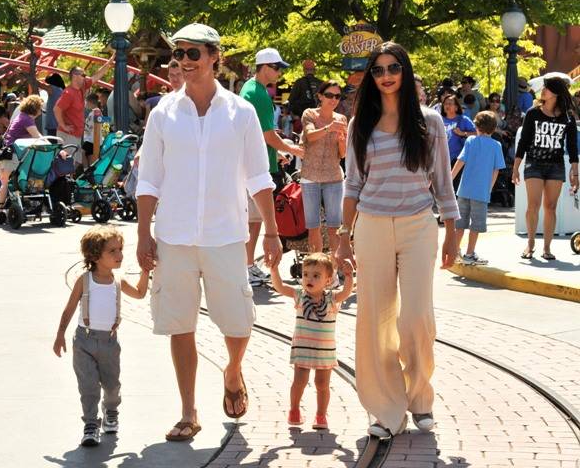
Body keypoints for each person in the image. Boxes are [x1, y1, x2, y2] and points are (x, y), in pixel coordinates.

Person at [136, 23, 283, 442]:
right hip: (175, 237)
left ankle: (233, 372)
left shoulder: (242, 112)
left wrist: (271, 231)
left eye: (192, 53)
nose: (183, 61)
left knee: (238, 323)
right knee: (180, 324)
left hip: (225, 235)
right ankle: (188, 411)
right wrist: (144, 235)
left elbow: (259, 176)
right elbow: (149, 179)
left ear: (214, 56)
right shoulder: (163, 112)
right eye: (178, 54)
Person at [335, 42, 459, 438]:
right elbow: (353, 183)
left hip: (419, 225)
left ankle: (420, 397)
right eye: (377, 70)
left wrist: (453, 233)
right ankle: (386, 409)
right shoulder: (360, 125)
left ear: (404, 72)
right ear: (371, 78)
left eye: (393, 68)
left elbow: (442, 182)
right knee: (375, 319)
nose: (386, 75)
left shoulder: (430, 123)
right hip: (371, 224)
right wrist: (342, 236)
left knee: (416, 318)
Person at [53, 226, 149, 447]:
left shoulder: (118, 280)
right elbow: (68, 310)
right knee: (88, 386)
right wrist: (60, 336)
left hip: (109, 342)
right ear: (95, 256)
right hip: (83, 341)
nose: (119, 255)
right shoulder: (84, 280)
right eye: (113, 251)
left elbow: (140, 293)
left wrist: (146, 271)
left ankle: (111, 412)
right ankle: (90, 425)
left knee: (112, 385)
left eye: (120, 249)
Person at [239, 47, 303, 286]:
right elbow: (267, 136)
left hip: (255, 161)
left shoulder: (249, 89)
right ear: (264, 67)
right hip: (257, 167)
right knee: (254, 220)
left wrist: (277, 153)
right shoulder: (259, 94)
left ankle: (246, 265)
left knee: (253, 220)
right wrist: (294, 149)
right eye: (276, 68)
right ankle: (245, 267)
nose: (279, 73)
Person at [270, 253, 353, 430]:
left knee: (322, 384)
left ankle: (321, 415)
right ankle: (294, 410)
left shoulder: (331, 299)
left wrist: (348, 276)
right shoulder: (299, 295)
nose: (309, 279)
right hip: (303, 348)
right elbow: (280, 287)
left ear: (328, 280)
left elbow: (346, 292)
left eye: (316, 276)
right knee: (299, 380)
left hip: (324, 351)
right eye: (306, 274)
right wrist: (274, 270)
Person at [513, 76, 579, 260]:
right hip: (533, 163)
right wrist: (515, 167)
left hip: (556, 166)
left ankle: (547, 248)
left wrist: (575, 171)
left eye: (547, 88)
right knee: (532, 206)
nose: (543, 91)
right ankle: (531, 244)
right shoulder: (533, 113)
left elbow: (572, 146)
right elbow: (523, 142)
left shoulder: (567, 118)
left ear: (556, 93)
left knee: (550, 207)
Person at [451, 111, 506, 265]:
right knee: (476, 225)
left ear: (476, 126)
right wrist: (489, 188)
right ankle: (469, 254)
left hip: (464, 190)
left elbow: (460, 161)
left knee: (460, 225)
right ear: (494, 128)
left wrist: (450, 178)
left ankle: (455, 253)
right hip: (481, 193)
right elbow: (496, 170)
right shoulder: (496, 145)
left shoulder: (470, 140)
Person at [300, 80, 347, 255]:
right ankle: (316, 266)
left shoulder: (341, 118)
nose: (333, 99)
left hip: (334, 177)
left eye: (337, 96)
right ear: (320, 96)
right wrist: (329, 128)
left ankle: (334, 271)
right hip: (310, 177)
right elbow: (310, 136)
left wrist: (342, 142)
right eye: (329, 95)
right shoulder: (310, 114)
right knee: (313, 227)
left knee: (334, 227)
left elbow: (342, 154)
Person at [54, 56, 114, 165]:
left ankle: (70, 180)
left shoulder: (82, 87)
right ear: (75, 76)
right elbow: (56, 109)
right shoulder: (68, 93)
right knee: (67, 164)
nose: (85, 77)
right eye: (83, 75)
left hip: (77, 134)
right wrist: (63, 125)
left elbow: (96, 76)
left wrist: (110, 61)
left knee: (76, 163)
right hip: (67, 135)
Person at [0, 95, 44, 205]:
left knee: (7, 182)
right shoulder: (26, 119)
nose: (41, 112)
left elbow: (38, 136)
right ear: (35, 108)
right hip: (11, 154)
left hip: (9, 153)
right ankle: (0, 209)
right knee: (7, 182)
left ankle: (1, 208)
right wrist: (57, 149)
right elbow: (37, 137)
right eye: (40, 109)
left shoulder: (22, 116)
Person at [441, 94, 476, 163]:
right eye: (445, 104)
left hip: (458, 159)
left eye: (450, 104)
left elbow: (477, 134)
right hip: (441, 158)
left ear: (456, 107)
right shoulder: (439, 119)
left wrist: (463, 133)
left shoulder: (464, 119)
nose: (447, 106)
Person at [82, 93, 102, 167]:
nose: (85, 104)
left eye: (86, 102)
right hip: (90, 139)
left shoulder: (96, 112)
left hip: (92, 140)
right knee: (90, 158)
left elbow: (91, 126)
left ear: (90, 102)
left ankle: (85, 170)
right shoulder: (93, 112)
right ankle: (89, 172)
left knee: (82, 153)